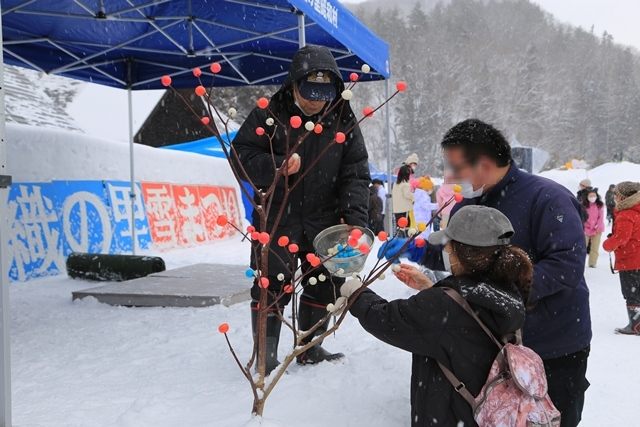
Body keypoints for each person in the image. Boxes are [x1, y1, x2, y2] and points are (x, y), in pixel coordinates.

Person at [421, 119, 591, 427]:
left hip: (553, 345)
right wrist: (420, 250)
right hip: (494, 347)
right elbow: (457, 256)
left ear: (484, 164)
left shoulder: (548, 199)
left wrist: (498, 295)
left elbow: (565, 266)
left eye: (456, 168)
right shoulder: (467, 206)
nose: (450, 177)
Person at [232, 45, 370, 372]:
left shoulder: (342, 117)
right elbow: (240, 156)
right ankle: (265, 358)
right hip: (278, 217)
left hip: (324, 219)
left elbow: (356, 171)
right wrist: (277, 166)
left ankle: (310, 346)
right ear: (293, 84)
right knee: (271, 285)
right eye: (309, 93)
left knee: (324, 282)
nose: (316, 101)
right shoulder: (269, 113)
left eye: (324, 93)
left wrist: (355, 221)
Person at [340, 206, 530, 426]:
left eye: (449, 244)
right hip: (488, 409)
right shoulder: (507, 287)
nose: (446, 249)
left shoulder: (443, 306)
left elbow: (388, 320)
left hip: (451, 412)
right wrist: (431, 288)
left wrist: (357, 293)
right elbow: (465, 319)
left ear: (462, 253)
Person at [603, 181, 640, 335]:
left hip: (630, 259)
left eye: (617, 195)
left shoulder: (626, 214)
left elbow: (621, 239)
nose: (615, 198)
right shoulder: (636, 210)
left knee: (631, 294)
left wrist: (607, 244)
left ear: (623, 197)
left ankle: (635, 325)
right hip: (637, 258)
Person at [583, 188, 605, 268]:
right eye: (590, 196)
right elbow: (582, 217)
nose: (592, 197)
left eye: (594, 196)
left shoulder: (599, 205)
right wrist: (586, 226)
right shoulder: (584, 206)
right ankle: (580, 262)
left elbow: (601, 217)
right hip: (586, 229)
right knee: (583, 247)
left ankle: (592, 263)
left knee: (595, 247)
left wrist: (597, 227)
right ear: (587, 197)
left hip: (597, 229)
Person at [392, 165, 414, 235]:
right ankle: (405, 242)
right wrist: (413, 197)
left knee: (399, 226)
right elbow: (407, 194)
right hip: (405, 209)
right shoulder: (406, 184)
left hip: (396, 209)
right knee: (406, 227)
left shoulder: (395, 184)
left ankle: (399, 241)